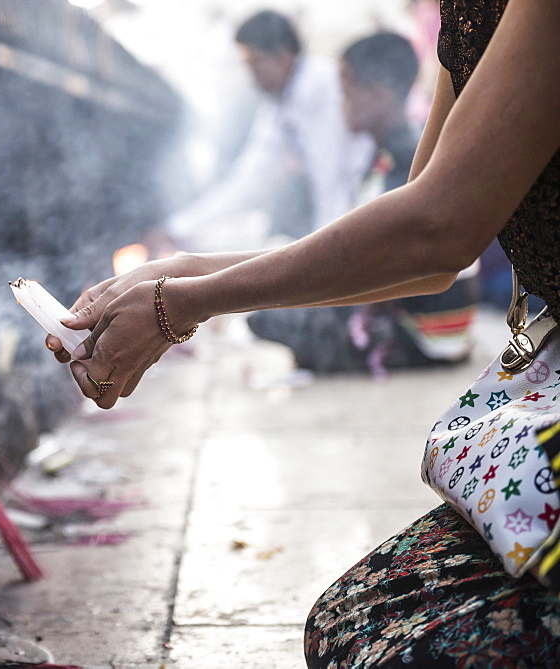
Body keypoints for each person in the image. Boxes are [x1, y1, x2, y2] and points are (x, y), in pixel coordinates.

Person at [46, 0, 560, 664]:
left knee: (392, 649)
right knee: (342, 623)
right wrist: (187, 270)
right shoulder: (468, 14)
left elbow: (434, 231)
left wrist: (183, 302)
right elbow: (416, 228)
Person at [246, 31, 482, 378]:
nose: (341, 105)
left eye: (347, 92)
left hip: (419, 337)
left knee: (267, 317)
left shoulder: (403, 160)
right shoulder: (393, 150)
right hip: (433, 331)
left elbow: (382, 268)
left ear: (378, 96)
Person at [166, 9, 372, 252]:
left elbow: (335, 181)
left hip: (363, 214)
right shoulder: (281, 101)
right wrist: (179, 226)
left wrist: (329, 253)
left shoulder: (321, 87)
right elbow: (251, 176)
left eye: (255, 64)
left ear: (283, 57)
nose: (251, 77)